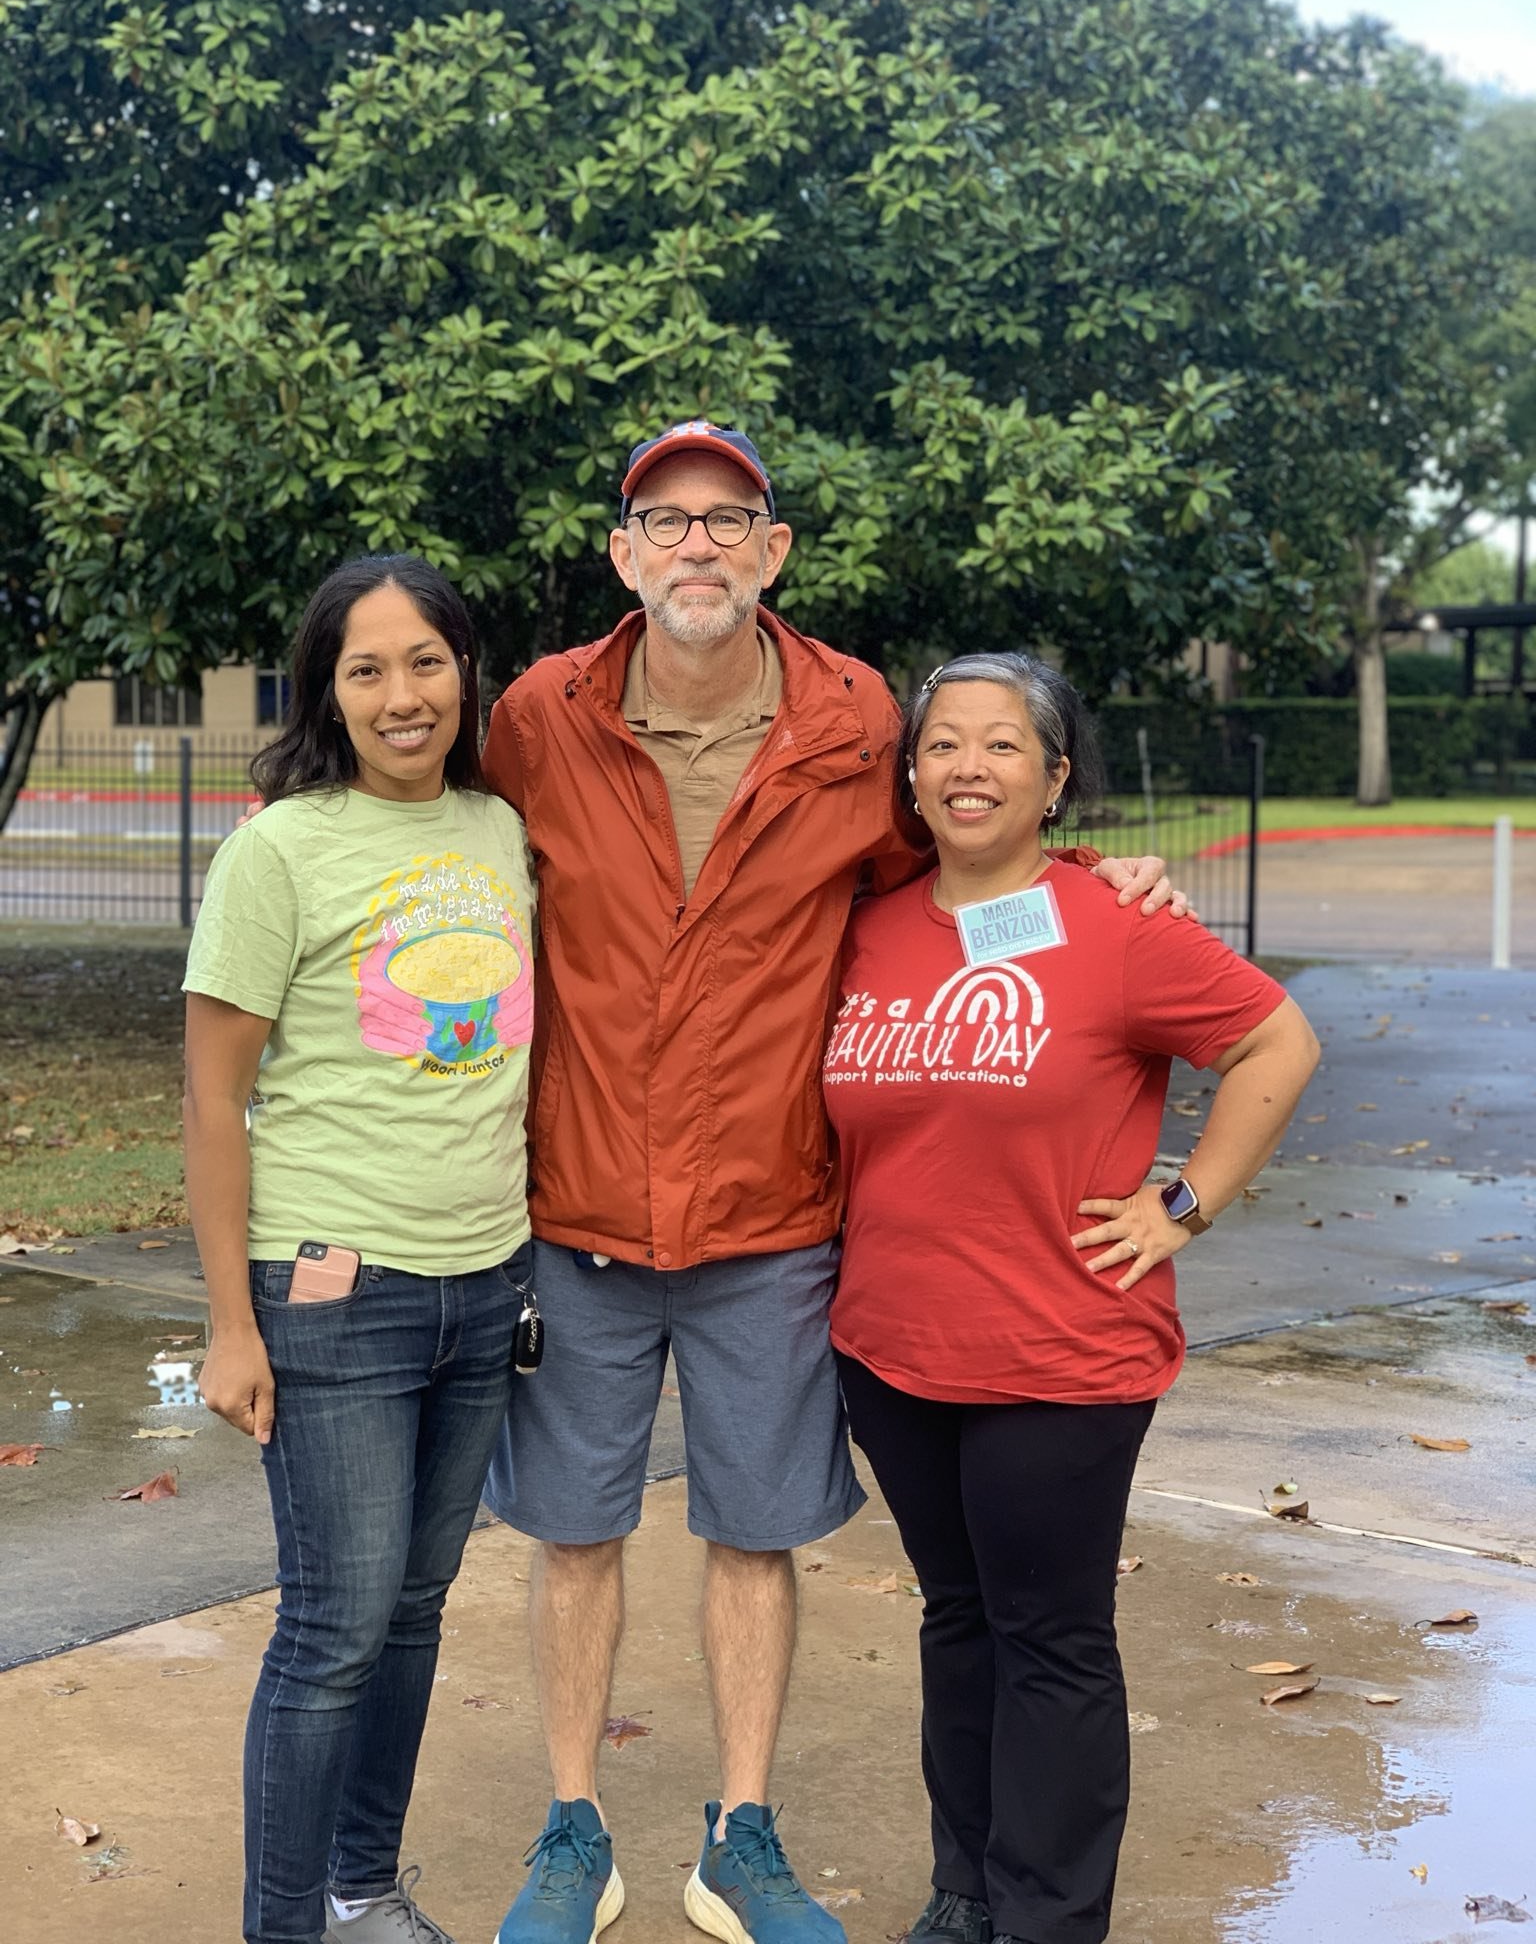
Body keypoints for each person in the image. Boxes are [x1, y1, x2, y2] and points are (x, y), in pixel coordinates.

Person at [479, 423, 1187, 1944]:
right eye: (664, 522)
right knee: (576, 1529)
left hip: (772, 1216)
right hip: (582, 1211)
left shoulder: (857, 715)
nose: (697, 549)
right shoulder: (541, 714)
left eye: (728, 520)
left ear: (774, 549)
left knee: (754, 1528)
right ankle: (571, 1831)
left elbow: (962, 851)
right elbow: (451, 846)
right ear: (622, 555)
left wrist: (1098, 878)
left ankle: (741, 1833)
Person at [823, 652, 1321, 1944]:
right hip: (892, 1350)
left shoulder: (1112, 922)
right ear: (912, 775)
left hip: (1061, 1356)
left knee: (1049, 1638)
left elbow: (1279, 1041)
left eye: (1002, 746)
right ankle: (967, 1885)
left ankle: (1047, 1917)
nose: (968, 767)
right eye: (942, 744)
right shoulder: (866, 922)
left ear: (1055, 780)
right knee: (959, 1620)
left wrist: (1183, 1207)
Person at [185, 555, 539, 1944]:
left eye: (427, 661)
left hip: (487, 1281)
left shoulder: (506, 829)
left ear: (465, 671)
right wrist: (230, 1322)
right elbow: (217, 1095)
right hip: (335, 1293)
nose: (404, 695)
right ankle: (285, 1927)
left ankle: (361, 1887)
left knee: (414, 1611)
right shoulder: (281, 849)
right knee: (333, 1629)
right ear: (328, 690)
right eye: (368, 669)